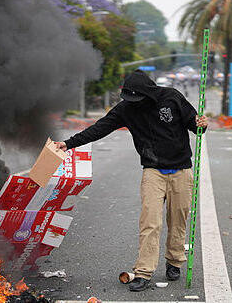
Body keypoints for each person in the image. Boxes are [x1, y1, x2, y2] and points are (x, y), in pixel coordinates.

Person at [54, 69, 208, 291]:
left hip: (181, 170)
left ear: (148, 93)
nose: (134, 103)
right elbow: (100, 128)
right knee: (150, 222)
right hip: (153, 171)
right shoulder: (126, 108)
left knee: (178, 219)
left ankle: (174, 261)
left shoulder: (171, 97)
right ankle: (144, 272)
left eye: (138, 98)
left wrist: (202, 125)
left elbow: (195, 126)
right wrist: (68, 144)